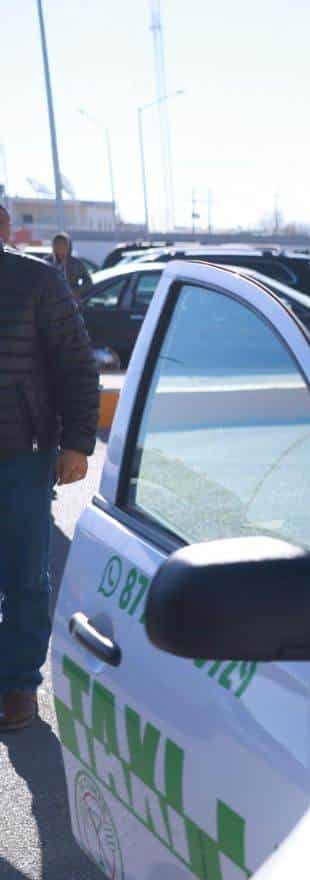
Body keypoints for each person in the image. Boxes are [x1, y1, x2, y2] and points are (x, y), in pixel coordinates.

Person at [0, 204, 98, 730]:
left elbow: (78, 365)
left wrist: (77, 443)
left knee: (23, 575)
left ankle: (17, 685)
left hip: (22, 455)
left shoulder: (37, 281)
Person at [50, 233, 92, 303]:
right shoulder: (47, 262)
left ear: (69, 246)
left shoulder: (76, 263)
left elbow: (88, 282)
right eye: (57, 244)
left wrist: (77, 293)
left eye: (63, 244)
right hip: (51, 303)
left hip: (71, 303)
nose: (60, 246)